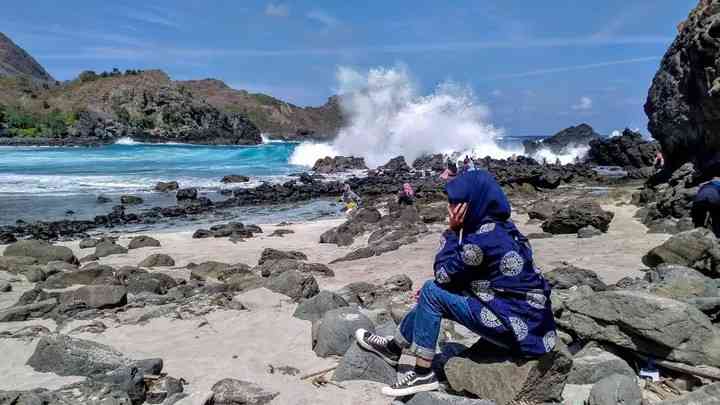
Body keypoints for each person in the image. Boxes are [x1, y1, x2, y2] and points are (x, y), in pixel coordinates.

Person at [354, 170, 557, 397]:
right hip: (530, 321)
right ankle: (394, 348)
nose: (450, 209)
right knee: (435, 295)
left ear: (473, 203)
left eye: (457, 203)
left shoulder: (481, 239)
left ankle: (422, 373)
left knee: (432, 290)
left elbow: (442, 273)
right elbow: (475, 275)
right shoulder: (503, 227)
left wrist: (453, 231)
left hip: (515, 328)